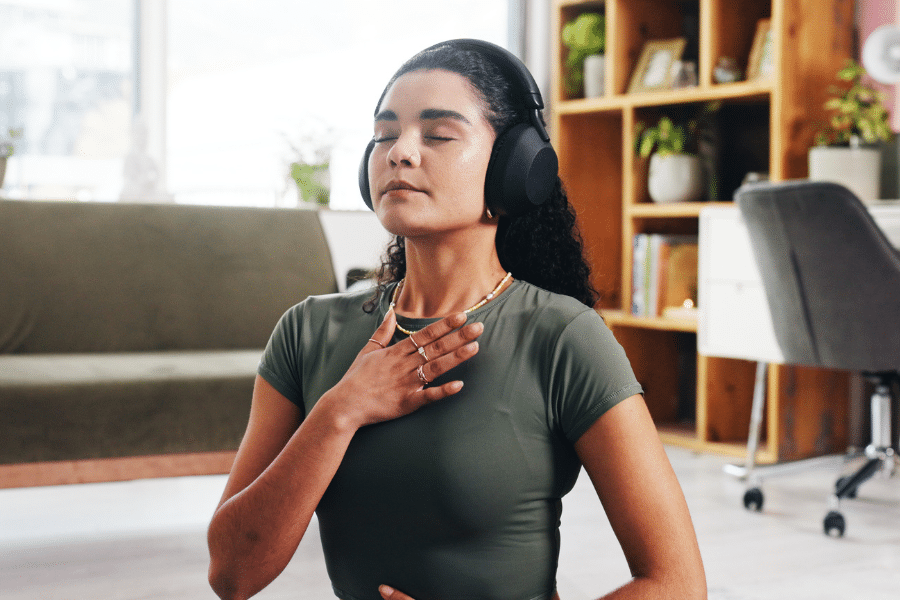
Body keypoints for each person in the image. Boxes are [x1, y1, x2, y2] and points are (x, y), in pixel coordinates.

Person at [207, 39, 706, 600]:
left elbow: (677, 584)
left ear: (514, 167)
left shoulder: (563, 338)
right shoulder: (307, 332)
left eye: (438, 134)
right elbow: (231, 575)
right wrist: (340, 411)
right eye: (384, 135)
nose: (400, 152)